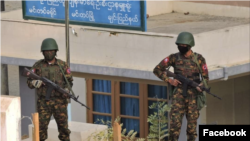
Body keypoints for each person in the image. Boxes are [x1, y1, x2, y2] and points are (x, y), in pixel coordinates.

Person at [153, 32, 209, 141]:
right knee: (174, 127)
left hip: (193, 96)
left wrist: (201, 86)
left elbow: (206, 78)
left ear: (190, 46)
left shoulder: (199, 59)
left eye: (184, 46)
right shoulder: (174, 57)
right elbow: (157, 69)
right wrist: (169, 80)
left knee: (192, 130)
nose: (181, 47)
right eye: (180, 45)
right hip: (178, 95)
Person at [27, 38, 73, 141]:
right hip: (44, 102)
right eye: (46, 51)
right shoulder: (38, 66)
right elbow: (29, 81)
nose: (49, 53)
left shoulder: (62, 65)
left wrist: (66, 90)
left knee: (64, 129)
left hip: (60, 102)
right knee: (40, 130)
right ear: (43, 52)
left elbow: (69, 81)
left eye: (51, 51)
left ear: (55, 52)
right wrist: (36, 82)